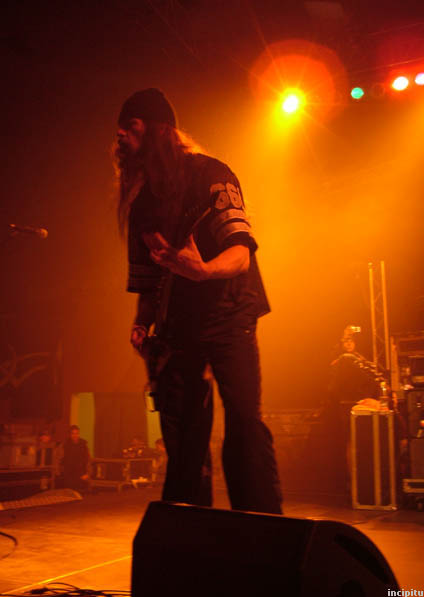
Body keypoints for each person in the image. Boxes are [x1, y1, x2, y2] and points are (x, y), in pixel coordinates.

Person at [114, 88, 282, 513]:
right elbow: (148, 280)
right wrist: (142, 323)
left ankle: (260, 524)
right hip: (180, 325)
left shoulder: (212, 175)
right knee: (184, 434)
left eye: (131, 127)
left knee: (243, 421)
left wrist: (203, 270)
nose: (120, 136)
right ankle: (190, 532)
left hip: (230, 314)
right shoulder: (143, 204)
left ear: (159, 130)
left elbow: (241, 253)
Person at [60, 425, 90, 491]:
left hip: (81, 474)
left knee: (80, 492)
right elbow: (61, 459)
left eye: (76, 433)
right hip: (68, 474)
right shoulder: (65, 445)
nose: (75, 435)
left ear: (79, 434)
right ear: (70, 434)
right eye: (73, 433)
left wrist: (86, 473)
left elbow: (87, 459)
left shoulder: (83, 444)